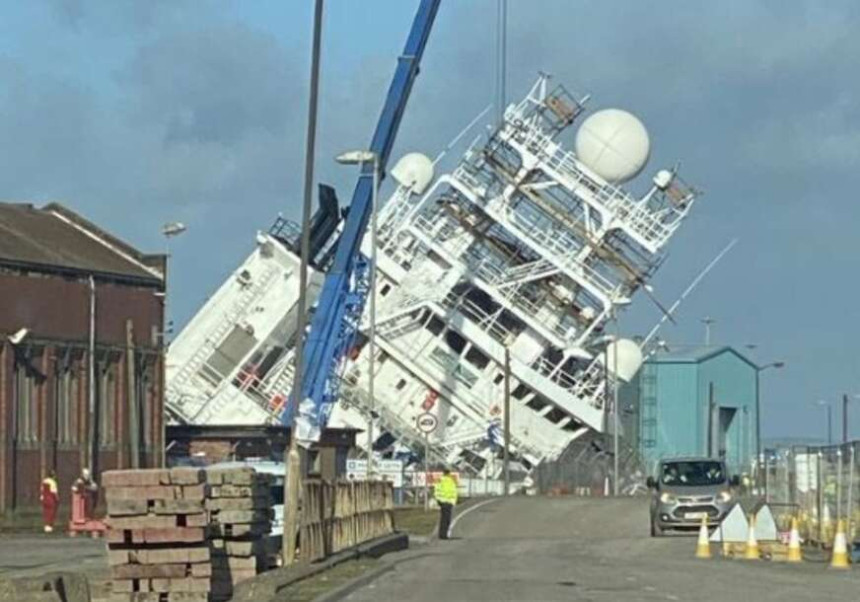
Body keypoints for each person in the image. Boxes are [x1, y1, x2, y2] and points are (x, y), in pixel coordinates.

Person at [434, 468, 458, 540]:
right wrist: (454, 501)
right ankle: (444, 534)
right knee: (447, 519)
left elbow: (437, 490)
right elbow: (454, 492)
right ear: (449, 473)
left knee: (442, 519)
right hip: (449, 502)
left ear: (443, 473)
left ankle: (441, 534)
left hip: (442, 501)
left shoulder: (440, 480)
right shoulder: (452, 481)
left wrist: (438, 499)